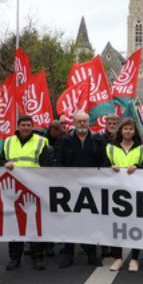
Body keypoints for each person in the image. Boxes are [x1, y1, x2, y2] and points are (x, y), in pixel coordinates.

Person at [2, 114, 55, 271]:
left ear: (32, 126)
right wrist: (5, 163)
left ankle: (37, 258)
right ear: (18, 126)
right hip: (12, 188)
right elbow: (0, 161)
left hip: (34, 188)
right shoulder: (8, 142)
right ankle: (14, 258)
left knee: (34, 224)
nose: (25, 128)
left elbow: (46, 166)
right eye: (23, 125)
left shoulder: (40, 142)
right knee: (14, 225)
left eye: (28, 125)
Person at [55, 111, 103, 268]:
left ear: (88, 122)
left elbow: (103, 161)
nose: (82, 123)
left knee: (90, 221)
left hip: (92, 187)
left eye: (85, 121)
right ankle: (68, 254)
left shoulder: (97, 139)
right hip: (70, 188)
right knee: (69, 220)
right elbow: (59, 161)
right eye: (79, 121)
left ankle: (91, 253)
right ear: (74, 123)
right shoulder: (65, 140)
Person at [104, 117, 143, 272]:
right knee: (116, 226)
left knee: (136, 226)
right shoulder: (110, 148)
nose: (128, 131)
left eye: (131, 129)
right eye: (125, 128)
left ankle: (134, 259)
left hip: (136, 193)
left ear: (134, 131)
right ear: (120, 131)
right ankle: (118, 258)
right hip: (115, 193)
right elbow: (102, 168)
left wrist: (138, 166)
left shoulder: (142, 149)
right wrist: (111, 167)